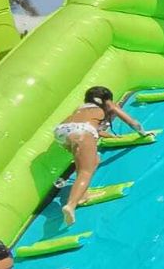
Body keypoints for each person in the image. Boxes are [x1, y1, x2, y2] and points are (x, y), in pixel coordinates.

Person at [51, 85, 149, 225]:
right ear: (106, 99)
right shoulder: (108, 105)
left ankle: (83, 193)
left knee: (93, 160)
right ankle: (71, 205)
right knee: (86, 171)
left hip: (61, 132)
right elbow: (132, 122)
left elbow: (84, 126)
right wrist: (143, 133)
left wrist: (109, 136)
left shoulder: (81, 108)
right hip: (82, 132)